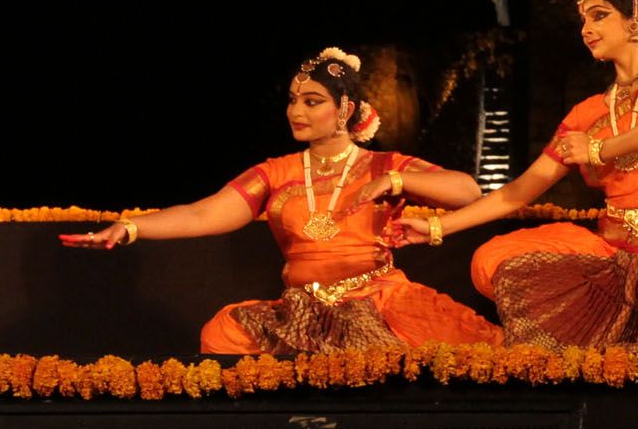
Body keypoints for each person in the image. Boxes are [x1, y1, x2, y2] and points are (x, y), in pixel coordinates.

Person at [391, 0, 638, 350]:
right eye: (584, 20)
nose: (586, 29)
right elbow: (519, 191)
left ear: (636, 21)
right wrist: (439, 228)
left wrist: (597, 150)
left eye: (599, 15)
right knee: (491, 260)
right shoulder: (587, 113)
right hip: (613, 253)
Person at [61, 48, 499, 354]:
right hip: (302, 309)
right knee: (224, 334)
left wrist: (398, 180)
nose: (296, 112)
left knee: (461, 348)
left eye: (312, 102)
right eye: (293, 101)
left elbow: (467, 190)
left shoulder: (385, 164)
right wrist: (133, 227)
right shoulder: (276, 172)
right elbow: (204, 212)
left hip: (379, 299)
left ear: (345, 109)